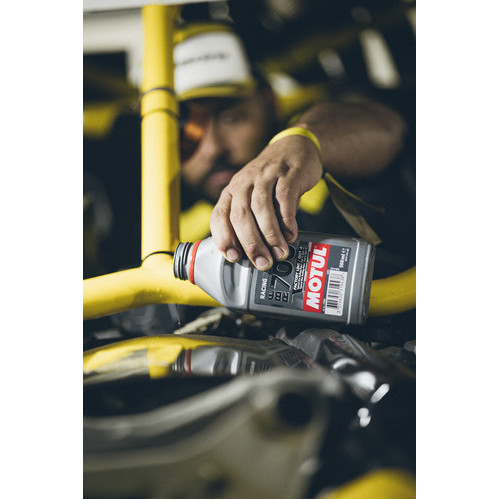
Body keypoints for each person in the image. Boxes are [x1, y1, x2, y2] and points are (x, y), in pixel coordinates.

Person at [174, 22, 411, 274]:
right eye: (188, 132)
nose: (213, 148)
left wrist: (304, 141)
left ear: (269, 101)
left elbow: (390, 127)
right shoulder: (164, 239)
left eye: (231, 118)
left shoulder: (324, 163)